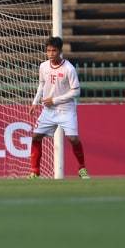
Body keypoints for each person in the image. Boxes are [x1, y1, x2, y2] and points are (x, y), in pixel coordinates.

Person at [28, 36, 89, 179]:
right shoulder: (43, 66)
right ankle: (35, 172)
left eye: (53, 51)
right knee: (36, 136)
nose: (50, 54)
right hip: (49, 110)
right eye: (48, 51)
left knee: (73, 139)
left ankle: (82, 168)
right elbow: (42, 85)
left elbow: (76, 91)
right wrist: (35, 103)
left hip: (66, 109)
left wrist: (54, 100)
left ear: (60, 51)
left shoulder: (69, 68)